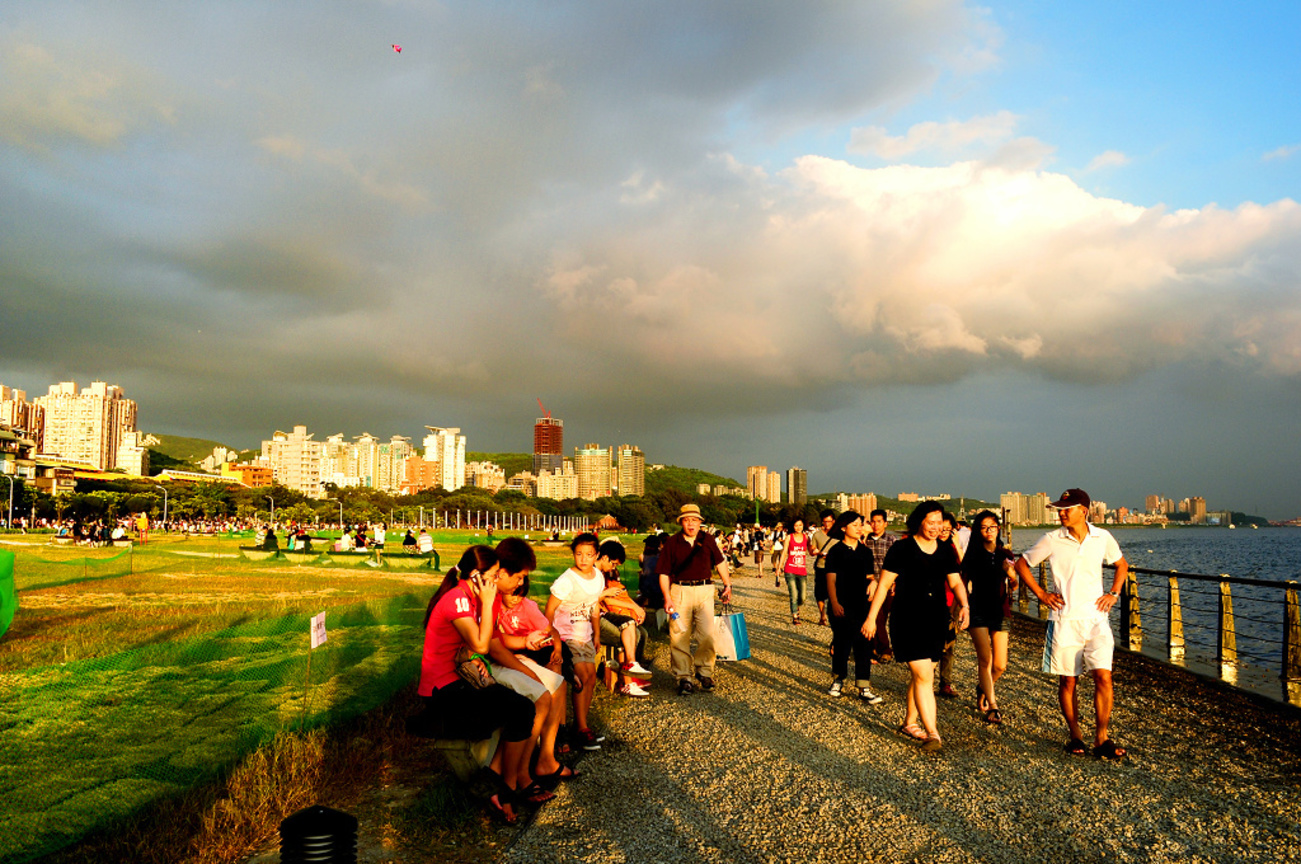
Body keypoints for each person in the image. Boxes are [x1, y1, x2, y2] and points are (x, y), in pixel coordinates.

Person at [418, 546, 535, 824]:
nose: (496, 581)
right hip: (441, 692)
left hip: (458, 681)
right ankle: (501, 788)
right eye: (493, 575)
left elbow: (473, 647)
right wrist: (487, 601)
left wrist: (474, 657)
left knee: (519, 708)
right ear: (476, 576)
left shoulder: (467, 596)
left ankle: (493, 783)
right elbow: (482, 642)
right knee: (520, 709)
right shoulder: (458, 599)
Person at [1015, 489, 1130, 760]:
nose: (1062, 512)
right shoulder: (1052, 539)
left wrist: (1113, 593)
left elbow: (1121, 565)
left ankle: (1102, 737)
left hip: (1096, 619)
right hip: (1064, 619)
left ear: (1084, 510)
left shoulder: (1103, 537)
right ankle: (1075, 735)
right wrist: (1041, 594)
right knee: (1069, 680)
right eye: (1060, 508)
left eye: (1068, 508)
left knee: (1103, 675)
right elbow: (1022, 564)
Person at [866, 502, 969, 752]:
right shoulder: (901, 548)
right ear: (919, 521)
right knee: (924, 676)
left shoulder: (945, 550)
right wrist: (871, 618)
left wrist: (965, 605)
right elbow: (883, 584)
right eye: (930, 522)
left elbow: (955, 582)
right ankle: (933, 733)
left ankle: (909, 722)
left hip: (936, 619)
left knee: (924, 674)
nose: (935, 528)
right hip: (907, 618)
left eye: (939, 523)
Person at [487, 537, 572, 798]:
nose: (522, 583)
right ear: (502, 572)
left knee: (556, 684)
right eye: (520, 577)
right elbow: (491, 647)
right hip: (485, 666)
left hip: (499, 657)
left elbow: (496, 641)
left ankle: (543, 758)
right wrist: (525, 665)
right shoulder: (489, 596)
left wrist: (526, 645)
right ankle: (518, 775)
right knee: (540, 695)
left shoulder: (497, 594)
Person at [657, 503, 732, 696]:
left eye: (694, 520)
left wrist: (727, 585)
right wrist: (667, 598)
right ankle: (683, 677)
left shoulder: (707, 540)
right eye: (687, 520)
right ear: (681, 522)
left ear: (700, 523)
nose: (691, 524)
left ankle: (704, 671)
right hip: (679, 591)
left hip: (705, 589)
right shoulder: (672, 543)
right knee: (679, 635)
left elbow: (720, 562)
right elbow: (663, 573)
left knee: (707, 634)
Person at [545, 533, 606, 750]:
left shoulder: (598, 576)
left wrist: (596, 633)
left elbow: (594, 607)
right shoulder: (566, 580)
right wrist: (552, 638)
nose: (583, 559)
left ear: (596, 555)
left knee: (591, 678)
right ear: (573, 554)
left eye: (589, 555)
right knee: (582, 676)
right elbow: (550, 610)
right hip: (566, 635)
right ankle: (581, 729)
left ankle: (582, 726)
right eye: (579, 554)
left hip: (585, 634)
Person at [962, 510, 1017, 724]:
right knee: (985, 660)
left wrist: (1012, 576)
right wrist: (960, 608)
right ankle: (993, 705)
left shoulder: (1006, 555)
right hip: (977, 610)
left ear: (998, 528)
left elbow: (1014, 585)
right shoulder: (973, 555)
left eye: (992, 527)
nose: (989, 531)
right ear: (978, 531)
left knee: (1000, 665)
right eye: (984, 527)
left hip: (1000, 610)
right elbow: (962, 581)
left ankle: (983, 687)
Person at [824, 511, 883, 704]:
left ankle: (864, 687)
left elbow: (869, 576)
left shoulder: (865, 552)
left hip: (862, 605)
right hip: (841, 603)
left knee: (863, 644)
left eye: (860, 524)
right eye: (855, 525)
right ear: (843, 528)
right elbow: (830, 579)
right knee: (841, 642)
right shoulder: (835, 551)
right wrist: (833, 602)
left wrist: (873, 582)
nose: (859, 528)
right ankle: (838, 679)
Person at [595, 540, 653, 696]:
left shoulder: (602, 575)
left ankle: (631, 676)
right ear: (605, 558)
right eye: (613, 564)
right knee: (627, 634)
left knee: (639, 633)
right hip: (594, 617)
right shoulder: (594, 574)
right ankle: (628, 680)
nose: (614, 568)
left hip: (600, 613)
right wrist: (633, 607)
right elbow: (603, 599)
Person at [936, 511, 965, 698]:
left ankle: (945, 682)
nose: (944, 531)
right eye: (942, 528)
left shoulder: (954, 549)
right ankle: (923, 679)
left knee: (949, 643)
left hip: (951, 600)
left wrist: (956, 544)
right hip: (933, 600)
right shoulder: (930, 546)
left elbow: (965, 568)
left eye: (949, 529)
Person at [864, 509, 897, 660]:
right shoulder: (865, 541)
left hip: (889, 585)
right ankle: (884, 649)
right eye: (873, 521)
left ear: (885, 523)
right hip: (871, 585)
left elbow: (899, 565)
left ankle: (878, 647)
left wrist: (897, 582)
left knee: (885, 618)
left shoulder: (891, 541)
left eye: (879, 521)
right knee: (877, 616)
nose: (876, 525)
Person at [776, 517, 811, 625]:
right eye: (796, 525)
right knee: (794, 594)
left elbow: (811, 550)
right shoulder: (789, 537)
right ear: (793, 526)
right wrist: (779, 567)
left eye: (800, 525)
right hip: (790, 569)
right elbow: (784, 553)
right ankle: (795, 615)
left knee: (803, 597)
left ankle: (797, 606)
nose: (798, 527)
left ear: (803, 525)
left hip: (802, 570)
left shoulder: (806, 537)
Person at [810, 510, 837, 626]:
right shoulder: (817, 535)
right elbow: (811, 550)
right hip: (821, 566)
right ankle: (822, 614)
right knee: (819, 593)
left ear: (834, 521)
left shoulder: (839, 535)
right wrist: (816, 552)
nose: (827, 524)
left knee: (834, 593)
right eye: (825, 522)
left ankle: (834, 614)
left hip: (836, 568)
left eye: (829, 521)